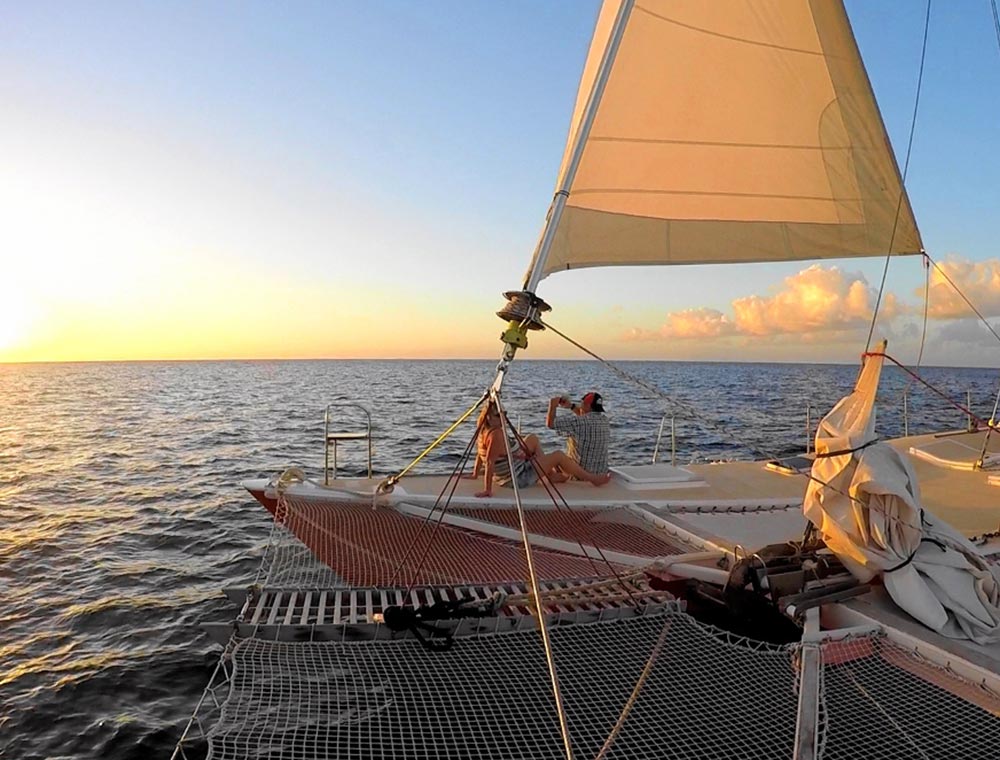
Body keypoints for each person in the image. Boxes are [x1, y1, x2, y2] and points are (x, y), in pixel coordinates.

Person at [466, 402, 610, 498]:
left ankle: (549, 474)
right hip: (518, 476)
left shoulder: (484, 430)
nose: (503, 418)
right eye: (499, 415)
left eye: (505, 414)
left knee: (532, 439)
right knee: (558, 455)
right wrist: (487, 490)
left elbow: (480, 454)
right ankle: (593, 479)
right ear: (488, 418)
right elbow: (490, 462)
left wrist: (475, 474)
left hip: (511, 469)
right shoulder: (496, 434)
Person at [546, 391, 610, 475]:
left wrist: (552, 405)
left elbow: (550, 424)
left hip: (580, 474)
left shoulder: (578, 422)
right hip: (599, 473)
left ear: (588, 406)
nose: (580, 405)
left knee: (554, 459)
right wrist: (571, 406)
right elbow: (584, 416)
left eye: (581, 403)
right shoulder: (605, 420)